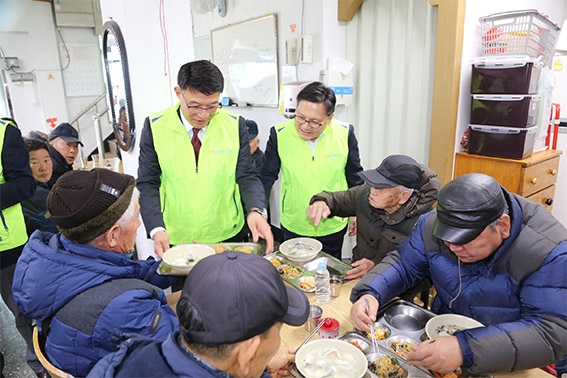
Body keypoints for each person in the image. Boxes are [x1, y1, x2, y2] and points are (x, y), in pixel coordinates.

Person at [350, 173, 567, 376]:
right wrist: (371, 292)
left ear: (502, 225)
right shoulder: (435, 223)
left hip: (513, 360)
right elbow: (405, 264)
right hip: (443, 336)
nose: (453, 248)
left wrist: (466, 349)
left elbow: (550, 332)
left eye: (464, 241)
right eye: (447, 240)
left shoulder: (549, 252)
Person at [12, 169, 180, 377]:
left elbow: (121, 274)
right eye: (137, 215)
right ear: (112, 236)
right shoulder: (126, 308)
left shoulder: (62, 253)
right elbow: (180, 357)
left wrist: (178, 265)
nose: (139, 223)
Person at [87, 251, 310, 378]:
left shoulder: (141, 354)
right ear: (246, 352)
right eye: (277, 332)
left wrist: (257, 367)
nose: (278, 343)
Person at [137, 60, 273, 258]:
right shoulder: (155, 126)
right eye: (195, 106)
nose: (203, 115)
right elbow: (147, 182)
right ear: (178, 93)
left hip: (227, 234)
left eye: (212, 106)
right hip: (178, 237)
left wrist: (256, 210)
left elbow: (247, 176)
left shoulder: (234, 125)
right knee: (187, 290)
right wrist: (156, 228)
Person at [261, 81, 364, 259]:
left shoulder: (344, 134)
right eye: (300, 117)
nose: (305, 126)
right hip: (295, 221)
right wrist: (259, 211)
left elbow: (354, 176)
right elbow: (266, 177)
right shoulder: (279, 134)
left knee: (328, 273)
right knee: (294, 274)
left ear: (329, 118)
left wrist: (356, 212)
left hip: (332, 221)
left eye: (315, 122)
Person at [307, 154, 440, 280]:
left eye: (382, 189)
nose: (373, 191)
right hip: (356, 275)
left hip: (394, 290)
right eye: (374, 184)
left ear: (403, 196)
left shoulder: (426, 223)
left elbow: (424, 273)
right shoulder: (365, 194)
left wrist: (376, 266)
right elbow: (336, 200)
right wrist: (322, 202)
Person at [0, 118, 44, 378]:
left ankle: (42, 366)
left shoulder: (5, 132)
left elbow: (25, 184)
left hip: (7, 246)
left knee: (24, 313)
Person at [21, 138, 58, 235]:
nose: (43, 168)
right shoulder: (33, 193)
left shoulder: (40, 186)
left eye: (46, 160)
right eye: (35, 162)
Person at [46, 122, 82, 188]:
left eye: (76, 146)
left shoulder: (63, 166)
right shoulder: (49, 168)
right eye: (68, 144)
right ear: (51, 143)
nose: (73, 150)